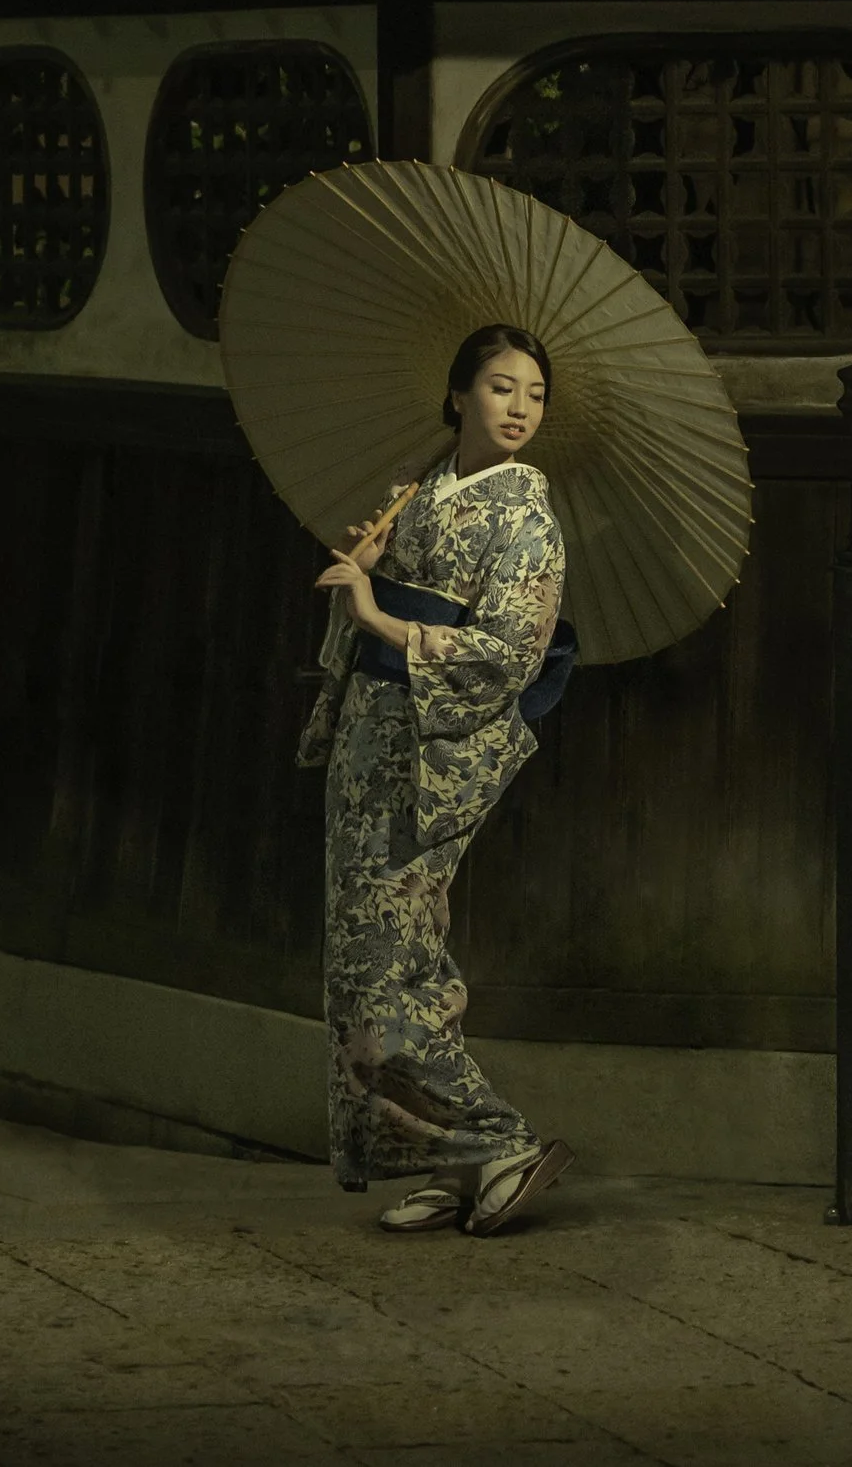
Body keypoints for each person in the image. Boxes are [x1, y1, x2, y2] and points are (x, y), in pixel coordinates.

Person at [302, 320, 571, 1236]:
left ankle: (497, 1141)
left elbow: (508, 654)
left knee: (385, 961)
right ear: (459, 394)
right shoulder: (424, 489)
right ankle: (450, 1158)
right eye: (502, 388)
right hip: (371, 740)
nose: (520, 409)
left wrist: (379, 617)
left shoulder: (526, 513)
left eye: (535, 395)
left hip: (434, 757)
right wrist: (373, 563)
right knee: (383, 956)